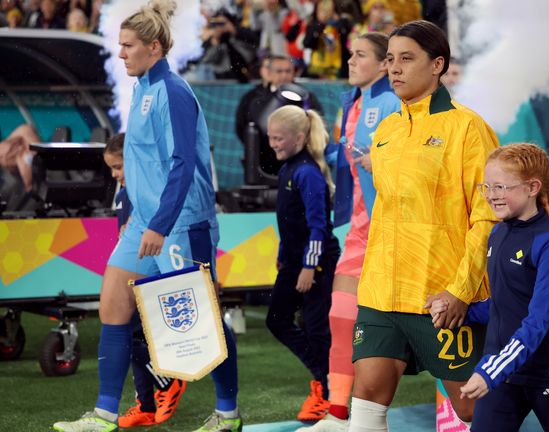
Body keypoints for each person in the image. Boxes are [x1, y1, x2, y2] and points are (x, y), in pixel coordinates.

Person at [53, 2, 241, 431]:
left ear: (153, 47)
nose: (120, 54)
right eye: (119, 45)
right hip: (146, 219)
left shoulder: (173, 91)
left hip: (178, 222)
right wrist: (141, 215)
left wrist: (159, 223)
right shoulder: (142, 88)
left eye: (128, 46)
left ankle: (228, 413)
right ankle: (102, 415)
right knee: (113, 308)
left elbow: (181, 164)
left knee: (204, 320)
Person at [348, 20, 499, 432]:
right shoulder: (386, 131)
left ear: (437, 65)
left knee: (471, 408)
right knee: (367, 394)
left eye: (407, 59)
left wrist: (461, 290)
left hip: (440, 295)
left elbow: (487, 216)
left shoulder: (468, 128)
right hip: (381, 290)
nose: (394, 69)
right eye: (391, 60)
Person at [430, 144, 549, 431]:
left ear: (533, 187)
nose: (491, 195)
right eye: (486, 186)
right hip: (505, 374)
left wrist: (489, 373)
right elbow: (502, 303)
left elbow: (537, 322)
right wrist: (460, 311)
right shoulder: (498, 232)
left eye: (501, 186)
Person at [297, 32, 400, 432]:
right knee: (341, 318)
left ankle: (459, 413)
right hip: (358, 230)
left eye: (360, 56)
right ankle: (338, 415)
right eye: (351, 55)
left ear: (383, 64)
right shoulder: (353, 102)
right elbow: (351, 160)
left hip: (392, 231)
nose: (351, 62)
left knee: (415, 328)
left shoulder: (392, 101)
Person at [101, 133, 188, 429]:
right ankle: (146, 404)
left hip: (147, 273)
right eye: (112, 168)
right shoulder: (125, 192)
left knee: (135, 336)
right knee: (131, 334)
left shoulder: (147, 191)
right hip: (132, 271)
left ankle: (168, 382)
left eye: (119, 167)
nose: (116, 174)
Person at [266, 105, 340, 422]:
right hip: (296, 262)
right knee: (277, 320)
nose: (273, 145)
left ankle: (326, 390)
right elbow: (288, 220)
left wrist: (310, 267)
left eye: (279, 139)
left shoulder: (307, 172)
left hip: (318, 262)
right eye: (270, 138)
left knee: (317, 328)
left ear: (298, 137)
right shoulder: (287, 168)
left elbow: (318, 226)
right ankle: (323, 378)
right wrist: (284, 256)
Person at [234, 54, 323, 177]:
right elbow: (242, 128)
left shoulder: (306, 96)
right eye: (279, 71)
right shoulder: (253, 98)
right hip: (265, 162)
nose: (284, 75)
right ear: (269, 73)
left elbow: (317, 124)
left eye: (288, 71)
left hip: (299, 162)